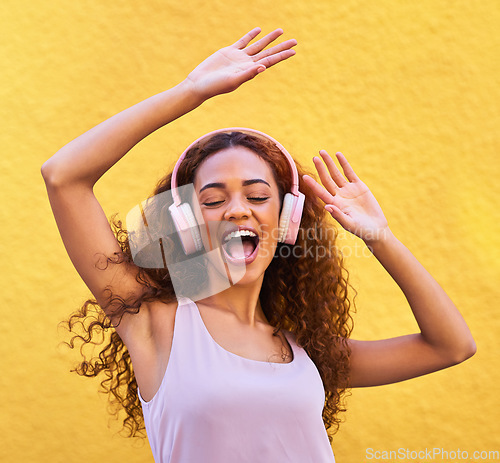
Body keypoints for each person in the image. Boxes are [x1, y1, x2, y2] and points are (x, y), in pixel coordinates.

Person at [41, 27, 476, 463]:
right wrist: (190, 91)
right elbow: (64, 177)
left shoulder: (307, 351)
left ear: (286, 220)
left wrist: (379, 237)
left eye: (257, 196)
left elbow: (451, 346)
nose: (236, 210)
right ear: (187, 223)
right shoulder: (156, 322)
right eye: (213, 200)